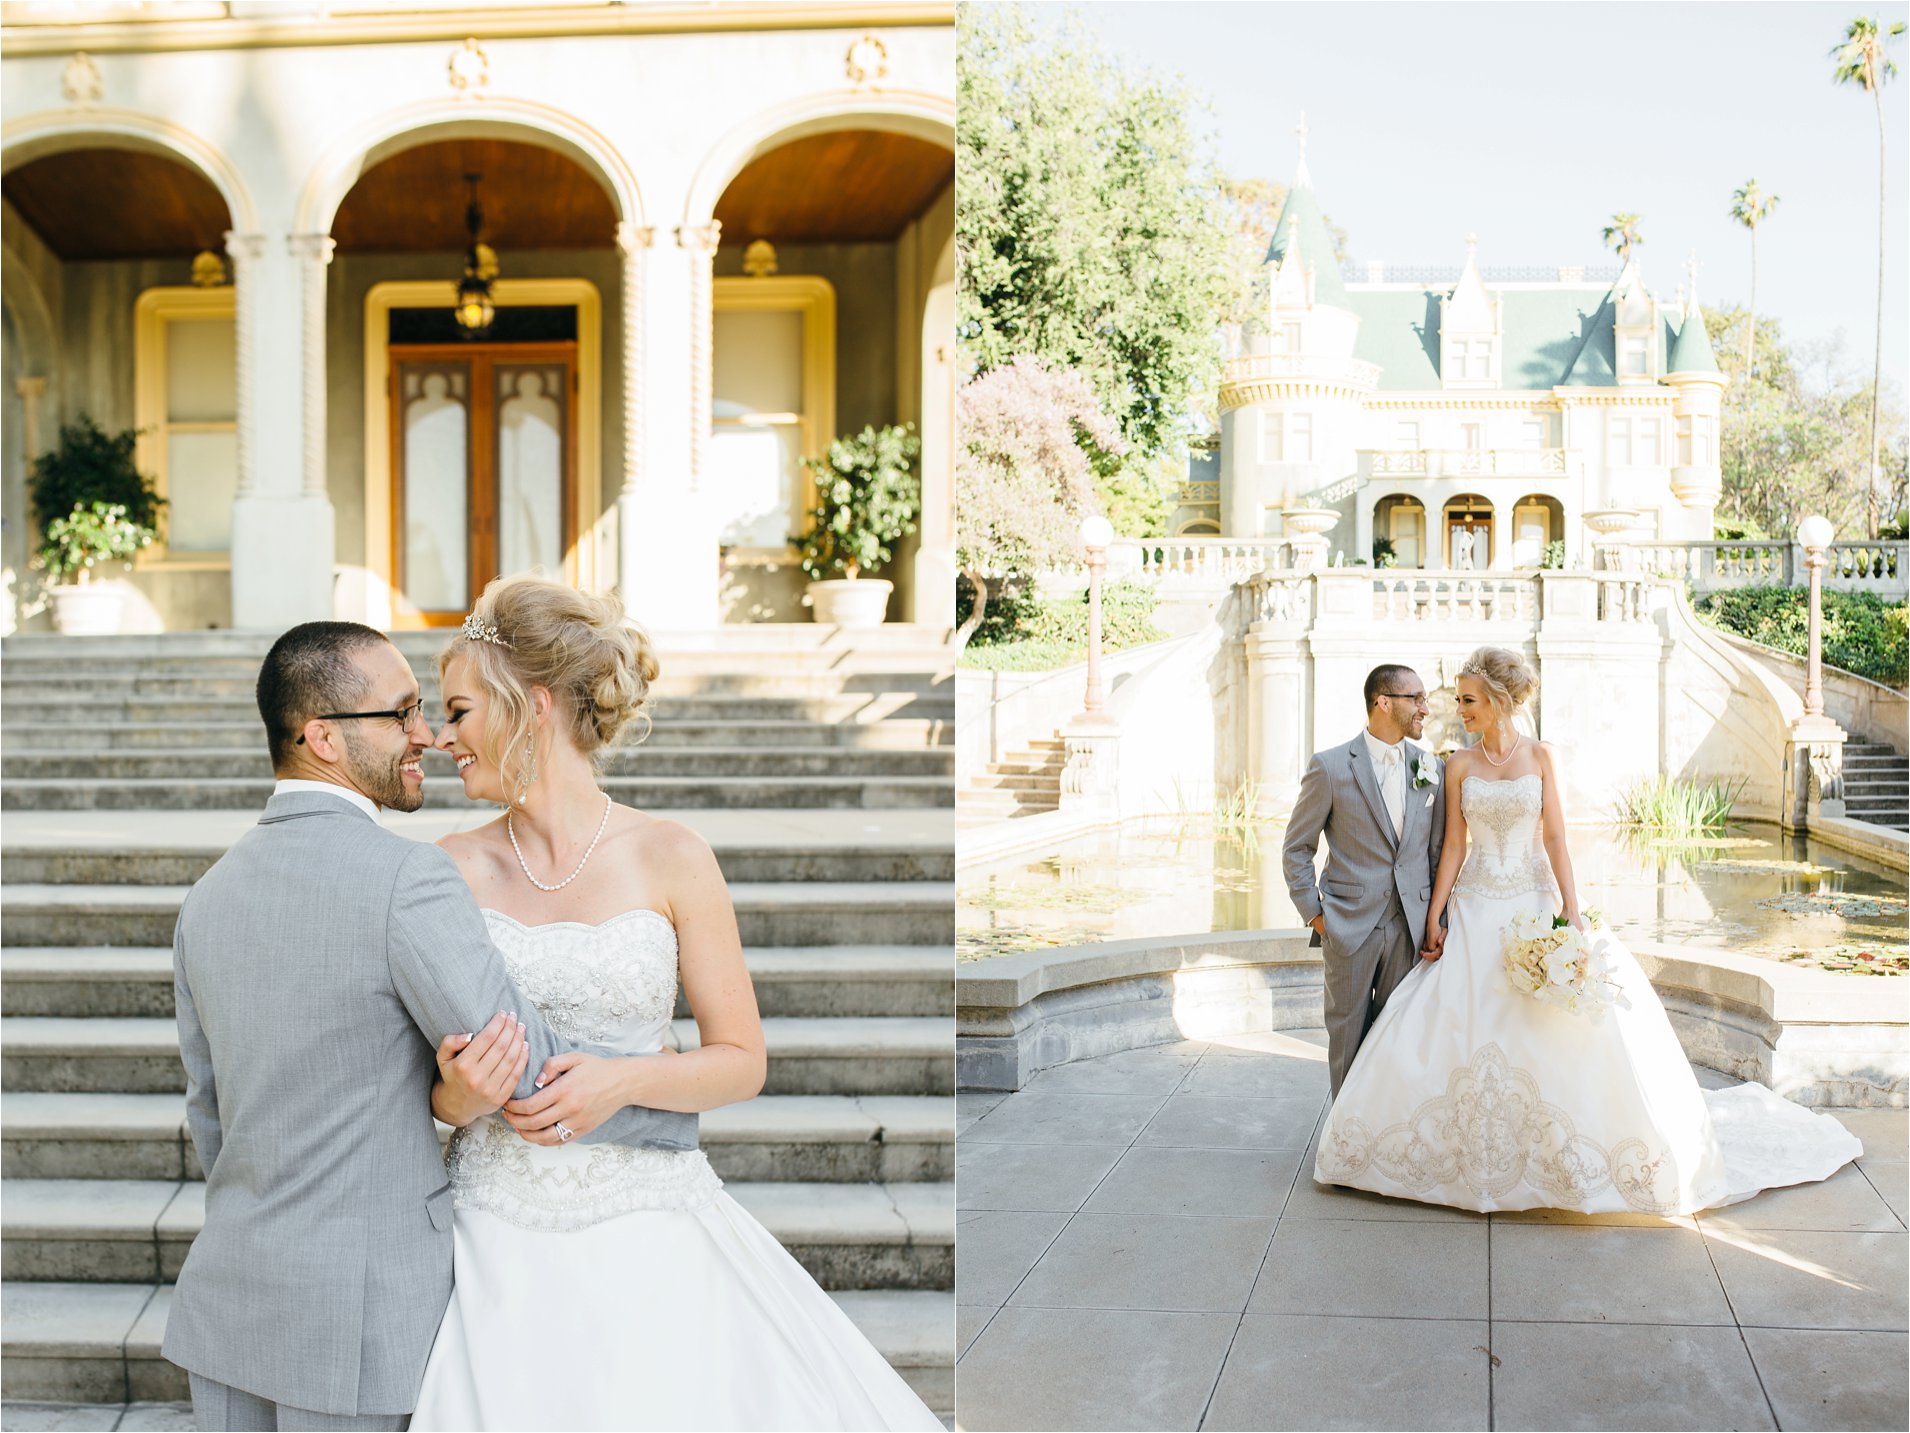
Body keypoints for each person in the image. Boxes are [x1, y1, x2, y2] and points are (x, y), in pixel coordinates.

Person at [411, 575, 941, 1431]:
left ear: (532, 706)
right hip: (492, 1235)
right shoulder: (444, 869)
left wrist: (619, 1081)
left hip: (650, 1220)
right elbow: (423, 1088)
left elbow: (741, 1060)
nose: (443, 737)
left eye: (461, 711)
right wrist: (459, 1096)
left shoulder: (672, 855)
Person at [164, 622, 694, 1432]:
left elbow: (210, 1115)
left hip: (231, 1307)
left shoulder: (205, 899)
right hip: (361, 1324)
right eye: (402, 712)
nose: (425, 735)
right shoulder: (407, 876)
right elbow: (517, 1065)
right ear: (324, 738)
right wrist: (664, 1091)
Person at [1314, 645, 1861, 1213]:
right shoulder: (1457, 765)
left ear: (1499, 702)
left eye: (1469, 699)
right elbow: (1453, 845)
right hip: (1475, 903)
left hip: (1531, 898)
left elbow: (1554, 841)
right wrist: (1436, 915)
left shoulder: (1543, 757)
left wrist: (1572, 914)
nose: (1459, 708)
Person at [1281, 664, 1446, 1095]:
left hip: (1410, 929)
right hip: (1348, 925)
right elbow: (1297, 848)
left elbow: (1436, 853)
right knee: (1347, 1040)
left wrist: (1436, 919)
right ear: (1384, 702)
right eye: (1417, 699)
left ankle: (1384, 1141)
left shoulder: (1432, 768)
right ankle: (1343, 1147)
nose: (1425, 709)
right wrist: (1316, 916)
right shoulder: (1331, 767)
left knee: (1396, 1038)